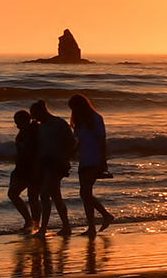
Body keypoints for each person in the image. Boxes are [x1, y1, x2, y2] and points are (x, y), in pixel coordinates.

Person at [28, 99, 76, 233]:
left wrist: (65, 158)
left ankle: (44, 228)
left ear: (42, 111)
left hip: (57, 163)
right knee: (55, 195)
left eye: (35, 114)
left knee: (44, 195)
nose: (34, 118)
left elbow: (71, 141)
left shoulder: (58, 123)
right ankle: (66, 226)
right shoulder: (40, 127)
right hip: (45, 164)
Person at [68, 93, 114, 233]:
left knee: (85, 192)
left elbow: (102, 140)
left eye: (75, 108)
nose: (73, 111)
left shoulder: (96, 119)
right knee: (85, 193)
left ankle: (105, 216)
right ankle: (93, 225)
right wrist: (71, 153)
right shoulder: (80, 122)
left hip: (94, 160)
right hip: (84, 160)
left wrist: (103, 159)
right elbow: (81, 142)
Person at [8, 109, 38, 231]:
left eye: (19, 121)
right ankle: (29, 220)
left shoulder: (34, 133)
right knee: (12, 194)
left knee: (33, 197)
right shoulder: (21, 134)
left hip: (33, 168)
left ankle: (35, 224)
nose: (17, 125)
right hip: (21, 168)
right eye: (16, 122)